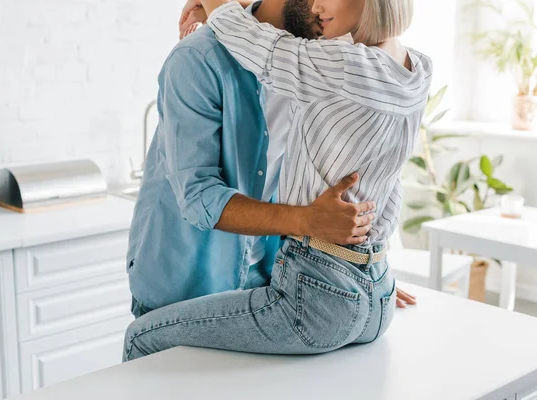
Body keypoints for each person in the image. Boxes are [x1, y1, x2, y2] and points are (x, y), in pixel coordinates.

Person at [123, 0, 431, 361]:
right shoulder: (199, 58)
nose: (320, 7)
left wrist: (354, 274)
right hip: (191, 281)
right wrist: (316, 230)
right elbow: (199, 197)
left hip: (274, 279)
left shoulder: (329, 61)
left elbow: (371, 168)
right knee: (147, 349)